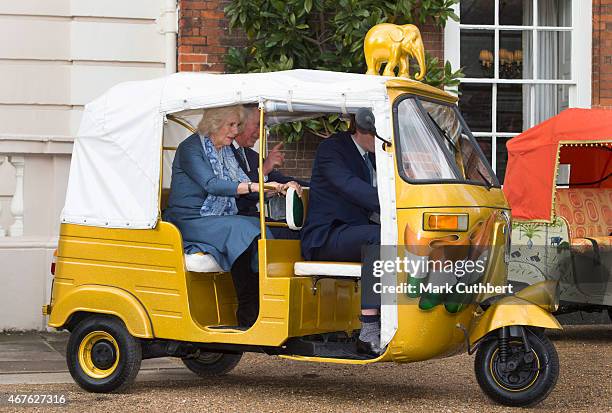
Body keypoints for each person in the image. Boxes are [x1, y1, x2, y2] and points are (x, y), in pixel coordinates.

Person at [163, 105, 296, 328]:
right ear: (214, 124)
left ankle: (259, 306)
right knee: (247, 229)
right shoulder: (190, 147)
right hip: (190, 220)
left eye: (237, 125)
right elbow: (212, 185)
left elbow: (244, 183)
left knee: (256, 227)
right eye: (232, 125)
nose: (236, 131)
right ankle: (248, 310)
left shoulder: (223, 150)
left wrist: (276, 188)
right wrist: (257, 186)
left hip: (216, 218)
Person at [300, 108, 382, 356]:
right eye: (377, 136)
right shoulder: (333, 149)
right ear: (361, 128)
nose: (382, 143)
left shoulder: (373, 155)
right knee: (378, 238)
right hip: (326, 235)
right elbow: (350, 186)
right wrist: (395, 203)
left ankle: (397, 316)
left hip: (352, 230)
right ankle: (369, 329)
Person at [231, 105, 309, 218]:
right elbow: (235, 190)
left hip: (253, 218)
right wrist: (264, 169)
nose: (260, 133)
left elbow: (279, 179)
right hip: (235, 222)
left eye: (263, 127)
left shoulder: (252, 156)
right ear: (240, 123)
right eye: (258, 125)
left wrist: (314, 187)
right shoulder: (223, 152)